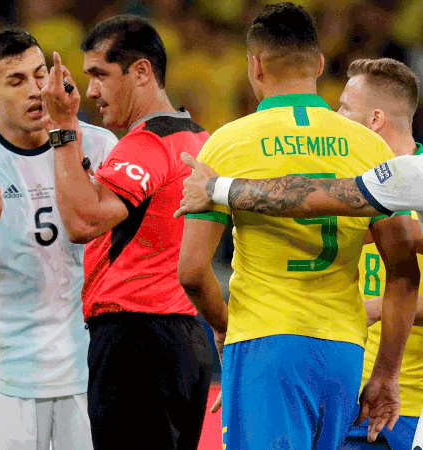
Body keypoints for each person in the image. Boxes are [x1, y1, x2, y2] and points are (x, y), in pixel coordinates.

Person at [174, 3, 419, 450]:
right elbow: (404, 271)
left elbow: (191, 270)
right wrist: (386, 372)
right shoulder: (371, 148)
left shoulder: (227, 143)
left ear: (255, 64)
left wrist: (225, 326)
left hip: (266, 341)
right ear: (320, 65)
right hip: (344, 350)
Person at [0, 29, 118, 450]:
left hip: (89, 369)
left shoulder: (101, 146)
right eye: (16, 81)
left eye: (39, 75)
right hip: (3, 376)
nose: (35, 91)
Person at [40, 14, 213, 450]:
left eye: (100, 75)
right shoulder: (197, 137)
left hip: (137, 342)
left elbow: (83, 222)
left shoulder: (147, 144)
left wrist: (62, 128)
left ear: (141, 72)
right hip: (183, 338)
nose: (91, 91)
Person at [335, 58, 423, 450]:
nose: (336, 119)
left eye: (344, 108)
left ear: (374, 119)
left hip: (411, 405)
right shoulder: (350, 190)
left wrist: (376, 308)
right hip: (345, 394)